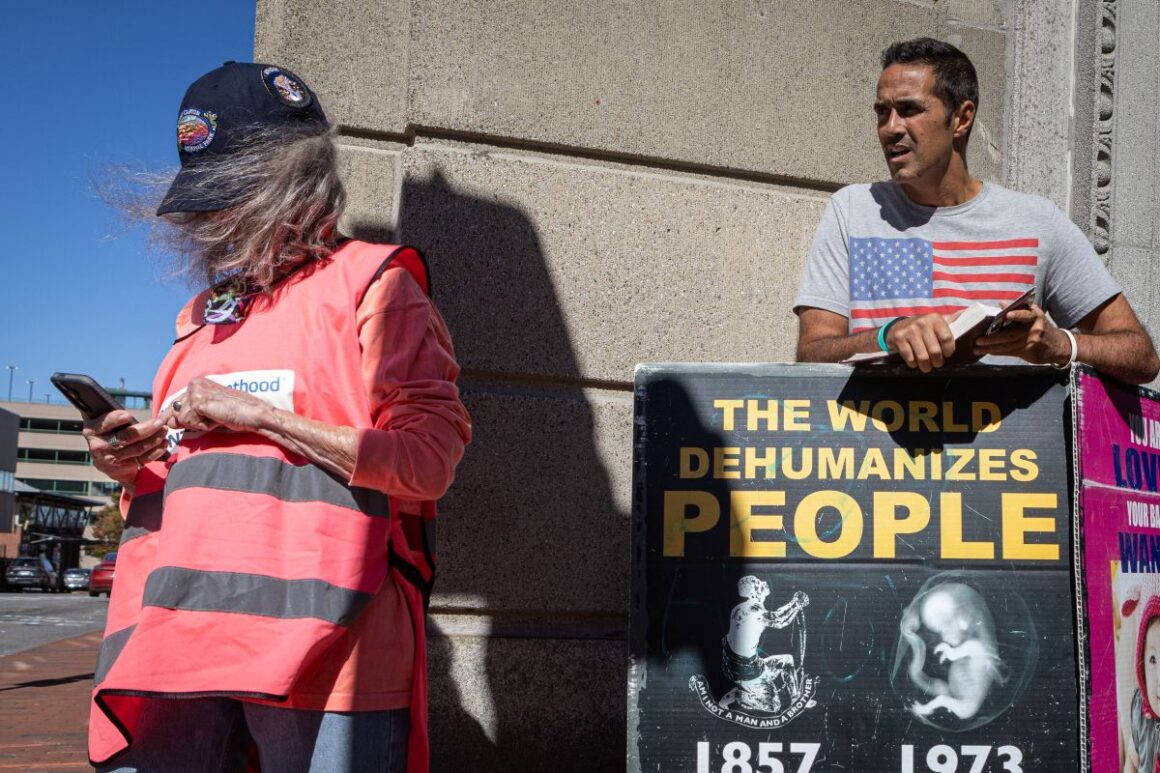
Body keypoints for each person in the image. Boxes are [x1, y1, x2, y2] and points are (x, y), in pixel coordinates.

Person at [81, 62, 471, 773]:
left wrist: (260, 415)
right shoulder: (200, 317)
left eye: (230, 196)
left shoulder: (374, 286)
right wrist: (136, 457)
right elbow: (201, 471)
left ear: (292, 179)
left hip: (334, 652)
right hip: (185, 641)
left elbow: (429, 461)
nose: (212, 221)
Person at [794, 37, 1160, 384]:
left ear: (962, 118)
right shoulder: (852, 210)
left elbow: (1142, 358)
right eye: (882, 112)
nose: (891, 128)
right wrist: (889, 336)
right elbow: (812, 354)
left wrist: (1060, 344)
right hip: (872, 449)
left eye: (909, 110)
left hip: (1007, 450)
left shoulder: (1037, 222)